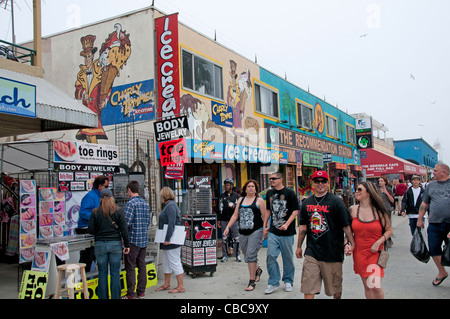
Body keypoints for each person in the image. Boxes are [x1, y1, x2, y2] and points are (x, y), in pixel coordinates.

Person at [296, 170, 355, 299]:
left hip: (332, 252)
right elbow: (303, 226)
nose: (320, 184)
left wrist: (352, 243)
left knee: (335, 289)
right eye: (317, 181)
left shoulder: (336, 202)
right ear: (313, 183)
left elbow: (346, 225)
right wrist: (299, 246)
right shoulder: (306, 203)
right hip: (312, 252)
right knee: (308, 287)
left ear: (328, 183)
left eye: (323, 181)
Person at [347, 181, 393, 299]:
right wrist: (347, 244)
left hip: (375, 252)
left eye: (360, 189)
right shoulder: (353, 210)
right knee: (367, 287)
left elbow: (389, 230)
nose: (356, 192)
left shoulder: (379, 212)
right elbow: (349, 232)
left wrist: (379, 242)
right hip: (359, 252)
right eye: (356, 189)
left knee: (375, 285)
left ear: (369, 193)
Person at [223, 179, 268, 291]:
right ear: (245, 189)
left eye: (253, 186)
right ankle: (257, 270)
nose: (251, 188)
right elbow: (235, 215)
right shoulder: (241, 200)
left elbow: (265, 216)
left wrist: (265, 229)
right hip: (242, 231)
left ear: (256, 189)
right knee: (246, 255)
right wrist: (228, 227)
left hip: (256, 231)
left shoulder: (259, 200)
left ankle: (251, 281)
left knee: (251, 255)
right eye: (249, 186)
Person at [88, 188, 130, 299]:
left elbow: (91, 230)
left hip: (100, 244)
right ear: (112, 198)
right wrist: (127, 245)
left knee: (102, 273)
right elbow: (124, 230)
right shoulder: (119, 211)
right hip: (115, 244)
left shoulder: (95, 212)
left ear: (100, 199)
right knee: (115, 273)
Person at [264, 172, 300, 294]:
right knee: (271, 255)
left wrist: (286, 224)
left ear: (280, 179)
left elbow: (295, 211)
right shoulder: (269, 193)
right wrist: (265, 226)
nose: (271, 180)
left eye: (273, 178)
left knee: (287, 257)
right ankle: (273, 282)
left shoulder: (290, 193)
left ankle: (288, 280)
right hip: (273, 231)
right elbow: (268, 210)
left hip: (287, 232)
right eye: (270, 179)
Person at [417, 163, 450, 286]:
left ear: (444, 172)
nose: (433, 173)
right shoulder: (431, 186)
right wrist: (420, 219)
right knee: (434, 248)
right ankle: (442, 272)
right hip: (435, 223)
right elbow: (424, 204)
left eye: (435, 170)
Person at [123, 180, 151, 299]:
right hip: (143, 239)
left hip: (132, 240)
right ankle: (141, 291)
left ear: (129, 190)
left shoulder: (130, 204)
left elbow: (126, 223)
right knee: (142, 265)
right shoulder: (145, 204)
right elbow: (148, 222)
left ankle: (131, 293)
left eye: (127, 191)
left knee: (130, 267)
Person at [155, 187, 185, 294]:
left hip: (172, 240)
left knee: (174, 261)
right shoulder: (169, 205)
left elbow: (172, 222)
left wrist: (168, 238)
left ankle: (180, 286)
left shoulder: (171, 206)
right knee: (166, 262)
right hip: (167, 239)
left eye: (161, 195)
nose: (160, 197)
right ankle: (167, 284)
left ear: (164, 195)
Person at [77, 175, 109, 271]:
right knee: (87, 257)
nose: (107, 189)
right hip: (87, 230)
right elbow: (83, 213)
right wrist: (96, 217)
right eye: (106, 186)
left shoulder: (102, 197)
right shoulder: (90, 196)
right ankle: (83, 280)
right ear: (100, 186)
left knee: (98, 257)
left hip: (97, 230)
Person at [216, 179, 241, 262]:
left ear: (231, 186)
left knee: (236, 238)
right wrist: (218, 219)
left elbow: (240, 208)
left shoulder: (236, 196)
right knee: (224, 238)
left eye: (228, 185)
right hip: (224, 220)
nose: (226, 186)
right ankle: (225, 255)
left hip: (234, 221)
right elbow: (218, 208)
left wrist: (233, 206)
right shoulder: (221, 196)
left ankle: (238, 255)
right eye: (225, 185)